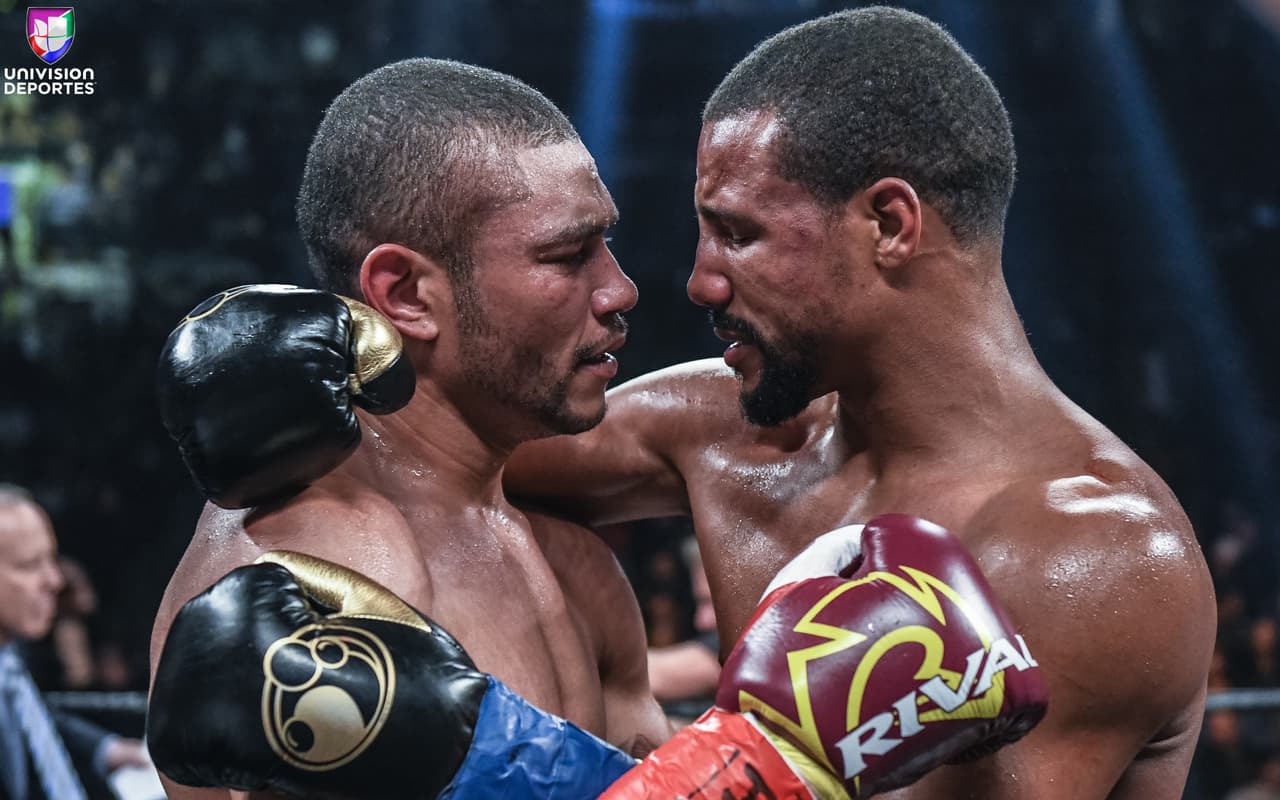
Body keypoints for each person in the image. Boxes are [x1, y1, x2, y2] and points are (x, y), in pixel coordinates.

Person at [146, 54, 1045, 800]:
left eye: (605, 245)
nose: (619, 290)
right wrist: (773, 775)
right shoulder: (323, 572)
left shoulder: (574, 562)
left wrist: (761, 766)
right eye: (567, 255)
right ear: (406, 293)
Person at [504, 8, 1216, 797]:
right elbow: (443, 445)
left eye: (737, 234)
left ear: (889, 224)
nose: (701, 282)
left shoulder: (1094, 557)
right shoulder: (721, 434)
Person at [0, 485, 149, 800]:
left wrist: (105, 748)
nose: (54, 581)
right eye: (29, 565)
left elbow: (29, 713)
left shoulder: (10, 654)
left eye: (51, 559)